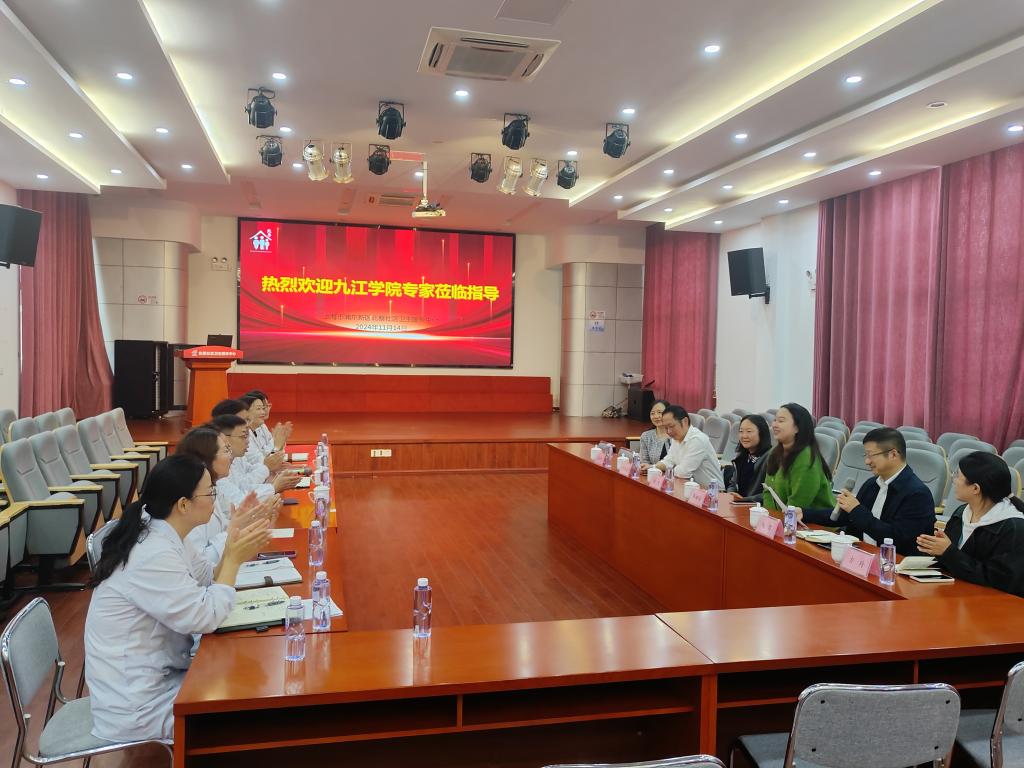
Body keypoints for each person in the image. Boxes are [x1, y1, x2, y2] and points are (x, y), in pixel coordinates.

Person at [84, 455, 271, 742]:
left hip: (159, 678)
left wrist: (233, 539)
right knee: (254, 707)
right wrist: (234, 560)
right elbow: (205, 617)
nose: (215, 499)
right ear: (183, 504)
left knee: (247, 680)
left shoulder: (164, 532)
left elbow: (206, 576)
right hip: (139, 704)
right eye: (210, 492)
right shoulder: (153, 553)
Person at [798, 427, 935, 554]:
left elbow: (897, 537)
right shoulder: (871, 484)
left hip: (892, 563)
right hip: (860, 554)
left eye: (871, 455)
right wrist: (804, 513)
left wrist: (856, 510)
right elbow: (847, 517)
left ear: (893, 454)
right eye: (866, 456)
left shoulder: (917, 494)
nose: (867, 462)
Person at [917, 451, 1024, 596]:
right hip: (954, 593)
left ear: (975, 488)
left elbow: (998, 581)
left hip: (991, 603)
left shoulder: (1014, 528)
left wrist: (948, 552)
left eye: (958, 476)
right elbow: (950, 562)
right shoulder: (962, 512)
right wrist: (935, 550)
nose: (954, 480)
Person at [762, 403, 833, 511]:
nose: (774, 425)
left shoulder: (805, 457)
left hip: (810, 520)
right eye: (775, 420)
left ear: (797, 428)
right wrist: (769, 515)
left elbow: (798, 504)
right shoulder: (775, 452)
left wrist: (777, 518)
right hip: (781, 517)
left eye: (781, 421)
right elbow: (768, 490)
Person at [648, 405, 724, 488]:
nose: (669, 431)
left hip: (713, 491)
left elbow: (683, 472)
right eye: (665, 428)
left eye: (671, 426)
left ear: (685, 421)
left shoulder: (698, 440)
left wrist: (666, 470)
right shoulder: (676, 438)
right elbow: (669, 460)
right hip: (690, 487)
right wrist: (652, 467)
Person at [728, 414, 772, 500]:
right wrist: (731, 493)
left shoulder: (770, 457)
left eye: (749, 431)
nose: (744, 436)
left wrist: (744, 500)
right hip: (738, 504)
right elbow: (732, 483)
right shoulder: (742, 455)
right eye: (741, 431)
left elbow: (769, 493)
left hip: (756, 506)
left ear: (761, 433)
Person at [638, 399, 671, 466]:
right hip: (651, 472)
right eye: (652, 413)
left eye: (659, 412)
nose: (656, 416)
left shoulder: (677, 435)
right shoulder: (646, 436)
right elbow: (644, 462)